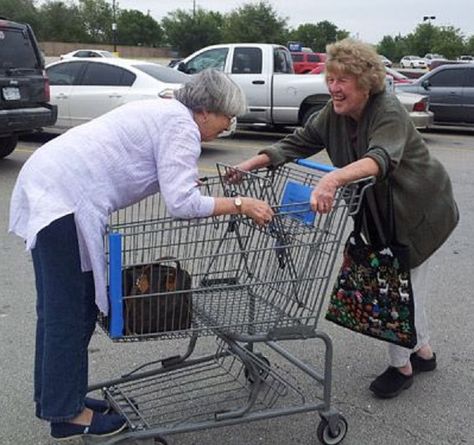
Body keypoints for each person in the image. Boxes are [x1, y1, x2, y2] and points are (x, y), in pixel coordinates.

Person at [8, 69, 274, 440]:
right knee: (71, 310)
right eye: (226, 117)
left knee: (64, 309)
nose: (229, 125)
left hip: (50, 186)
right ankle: (68, 414)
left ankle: (59, 400)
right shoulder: (182, 128)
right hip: (62, 201)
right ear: (203, 111)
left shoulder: (165, 111)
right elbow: (181, 204)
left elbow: (153, 171)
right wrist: (241, 203)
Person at [228, 39, 459, 399]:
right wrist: (251, 164)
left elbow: (380, 158)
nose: (334, 88)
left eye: (343, 80)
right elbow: (298, 142)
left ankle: (402, 365)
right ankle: (423, 351)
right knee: (409, 284)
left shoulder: (388, 112)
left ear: (366, 82)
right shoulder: (333, 114)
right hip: (379, 213)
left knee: (400, 286)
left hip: (418, 209)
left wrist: (332, 178)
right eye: (330, 78)